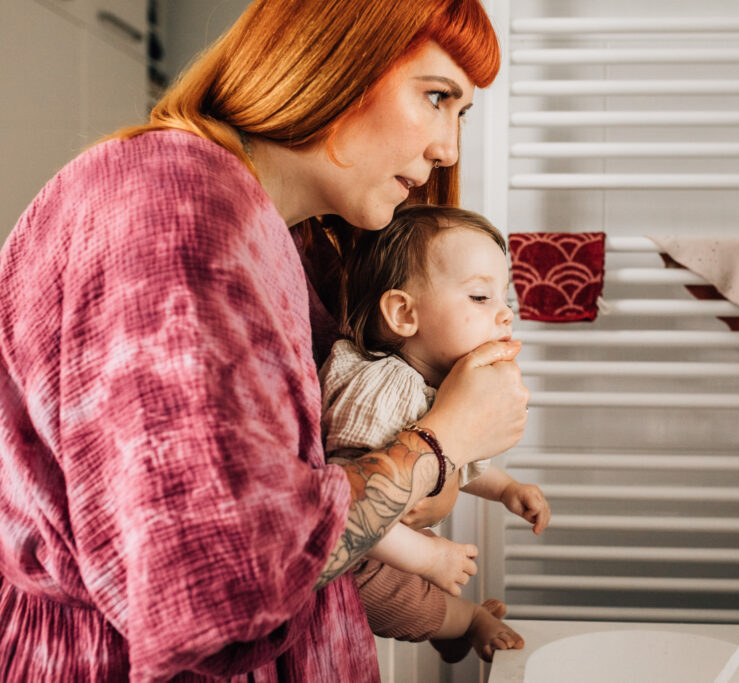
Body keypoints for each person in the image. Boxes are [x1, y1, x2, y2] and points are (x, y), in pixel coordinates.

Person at [0, 0, 530, 680]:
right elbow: (217, 577)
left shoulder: (288, 236)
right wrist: (442, 440)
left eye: (461, 113)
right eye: (435, 97)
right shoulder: (176, 207)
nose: (448, 148)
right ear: (335, 57)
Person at [319, 205, 551, 663]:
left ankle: (448, 619)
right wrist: (428, 561)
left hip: (396, 539)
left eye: (506, 300)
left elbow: (456, 458)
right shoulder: (383, 384)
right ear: (404, 313)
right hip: (355, 558)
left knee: (424, 572)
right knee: (390, 592)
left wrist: (506, 488)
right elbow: (351, 503)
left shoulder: (431, 388)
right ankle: (465, 621)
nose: (505, 316)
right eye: (481, 299)